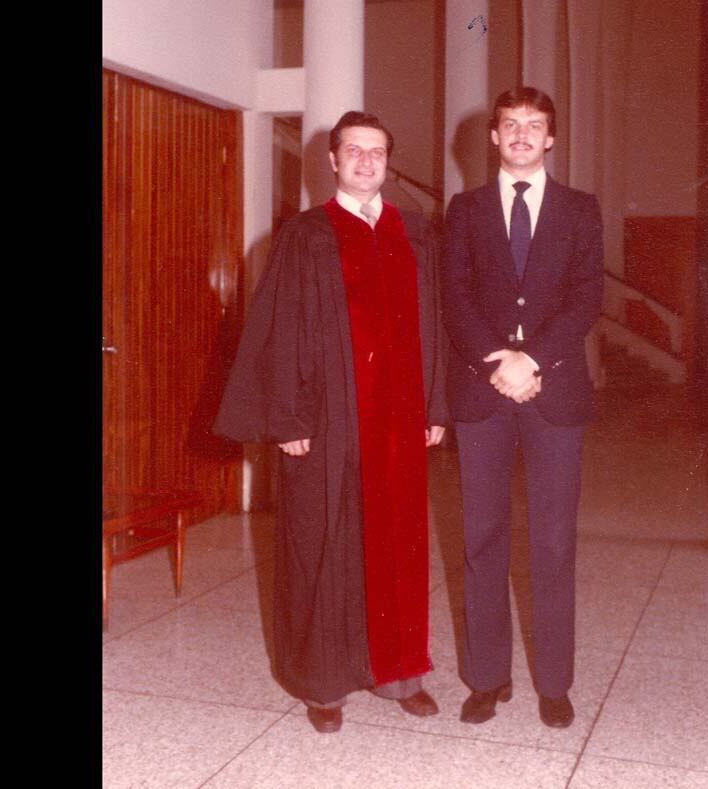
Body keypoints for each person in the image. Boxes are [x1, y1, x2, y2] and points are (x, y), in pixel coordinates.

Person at [213, 111, 448, 733]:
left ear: (388, 162)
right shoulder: (305, 235)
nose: (367, 161)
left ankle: (400, 674)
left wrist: (434, 406)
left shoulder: (414, 232)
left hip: (398, 422)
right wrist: (287, 418)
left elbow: (434, 324)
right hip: (324, 421)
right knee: (322, 545)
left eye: (377, 152)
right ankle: (323, 684)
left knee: (399, 545)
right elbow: (279, 331)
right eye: (354, 151)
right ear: (333, 160)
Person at [441, 87, 603, 729]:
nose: (521, 134)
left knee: (553, 542)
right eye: (510, 124)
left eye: (534, 125)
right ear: (493, 137)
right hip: (482, 394)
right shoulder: (465, 209)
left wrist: (531, 360)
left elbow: (587, 298)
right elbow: (454, 297)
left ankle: (554, 684)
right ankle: (487, 678)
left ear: (550, 139)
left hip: (553, 392)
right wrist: (498, 361)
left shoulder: (580, 209)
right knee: (481, 538)